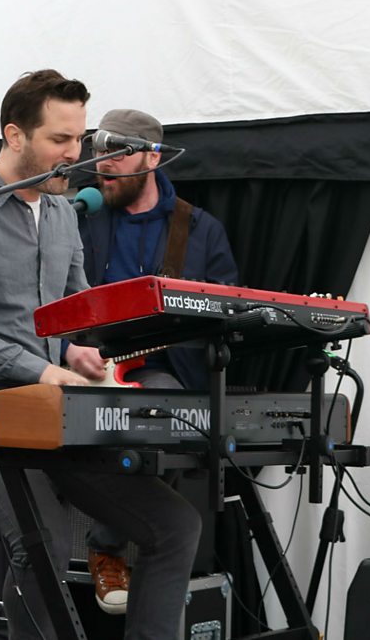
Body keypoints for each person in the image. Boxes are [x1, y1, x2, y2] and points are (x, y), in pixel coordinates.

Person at [0, 69, 202, 640]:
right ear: (15, 135)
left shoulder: (63, 212)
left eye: (79, 139)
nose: (76, 154)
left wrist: (86, 351)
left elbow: (75, 316)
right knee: (37, 538)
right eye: (60, 139)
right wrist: (43, 368)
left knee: (174, 525)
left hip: (50, 409)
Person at [73, 108, 238, 615]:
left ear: (153, 157)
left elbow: (225, 312)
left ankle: (107, 546)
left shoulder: (198, 229)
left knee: (171, 416)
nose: (103, 164)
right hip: (80, 362)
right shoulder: (79, 216)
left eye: (118, 154)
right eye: (99, 153)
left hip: (154, 371)